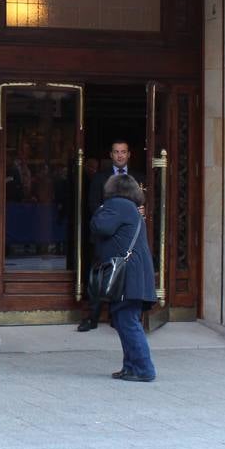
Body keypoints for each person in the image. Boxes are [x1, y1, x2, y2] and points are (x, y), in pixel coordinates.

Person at [90, 174, 158, 382]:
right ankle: (131, 367)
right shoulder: (130, 208)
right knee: (124, 320)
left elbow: (100, 226)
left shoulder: (117, 204)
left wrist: (100, 210)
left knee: (127, 321)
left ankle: (144, 369)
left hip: (127, 275)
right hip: (134, 274)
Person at [81, 140, 144, 332]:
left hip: (127, 239)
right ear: (110, 155)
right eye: (116, 152)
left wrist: (141, 211)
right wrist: (114, 217)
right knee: (99, 277)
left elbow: (147, 204)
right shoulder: (100, 178)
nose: (120, 155)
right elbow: (92, 205)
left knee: (124, 276)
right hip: (105, 236)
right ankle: (92, 317)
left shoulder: (138, 178)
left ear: (129, 154)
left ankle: (118, 317)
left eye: (123, 152)